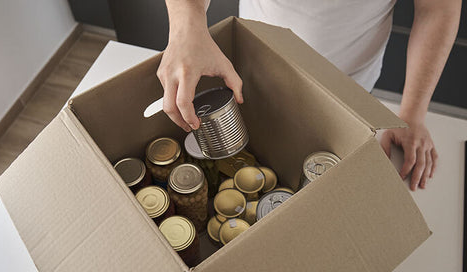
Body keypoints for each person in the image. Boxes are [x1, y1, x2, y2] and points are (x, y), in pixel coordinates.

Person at [156, 0, 461, 191]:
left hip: (352, 90)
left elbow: (438, 7)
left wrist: (412, 115)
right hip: (255, 75)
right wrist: (186, 29)